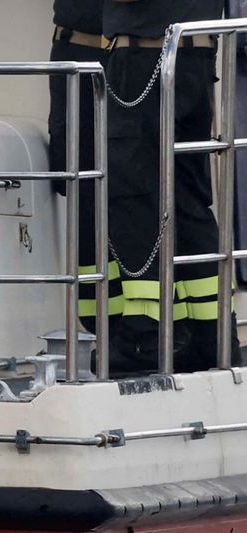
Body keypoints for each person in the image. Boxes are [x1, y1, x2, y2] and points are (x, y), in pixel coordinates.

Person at [101, 0, 234, 373]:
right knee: (189, 201)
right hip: (194, 56)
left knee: (133, 198)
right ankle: (214, 336)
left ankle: (145, 337)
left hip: (146, 58)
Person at [47, 0, 108, 340]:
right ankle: (93, 318)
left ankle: (129, 328)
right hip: (73, 54)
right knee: (76, 181)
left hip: (131, 56)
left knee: (129, 188)